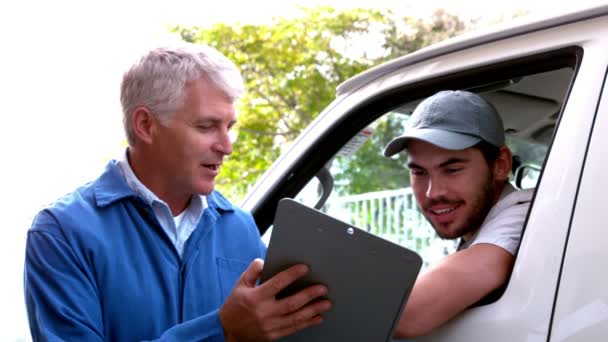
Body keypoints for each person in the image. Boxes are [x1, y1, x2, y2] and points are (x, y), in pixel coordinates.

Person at [23, 43, 331, 341]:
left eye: (229, 127)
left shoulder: (239, 227)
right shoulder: (62, 233)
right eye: (207, 126)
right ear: (145, 125)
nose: (227, 147)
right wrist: (221, 331)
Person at [383, 90, 534, 338]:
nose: (433, 192)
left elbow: (405, 315)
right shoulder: (480, 230)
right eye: (419, 172)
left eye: (452, 169)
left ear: (500, 165)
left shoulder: (524, 214)